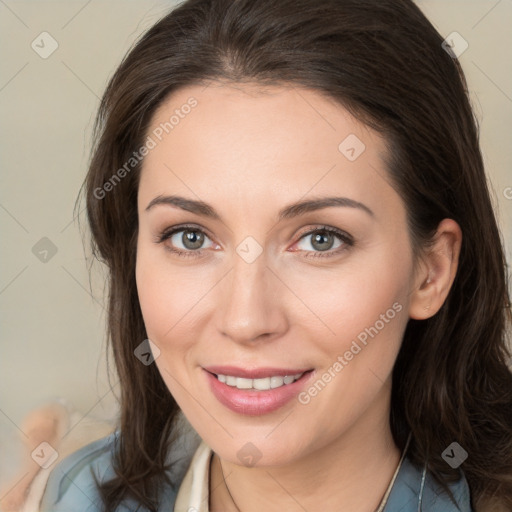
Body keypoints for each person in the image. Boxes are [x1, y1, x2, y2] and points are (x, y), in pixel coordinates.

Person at [40, 0, 512, 510]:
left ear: (431, 271)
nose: (246, 320)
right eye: (190, 237)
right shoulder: (75, 494)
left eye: (320, 239)